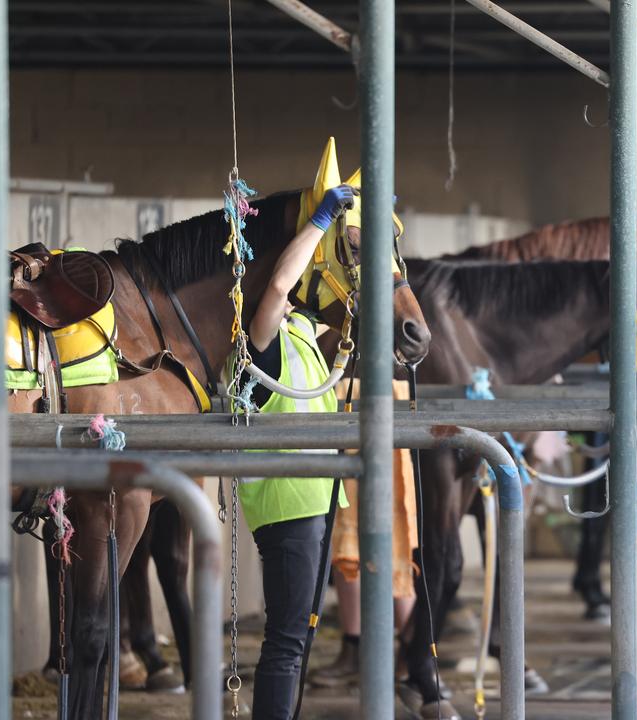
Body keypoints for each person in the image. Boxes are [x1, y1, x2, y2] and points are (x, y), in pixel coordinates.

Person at [233, 182, 356, 720]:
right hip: (289, 509)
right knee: (285, 643)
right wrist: (322, 219)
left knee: (297, 639)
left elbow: (327, 290)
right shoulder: (260, 340)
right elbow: (282, 282)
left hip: (316, 501)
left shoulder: (304, 333)